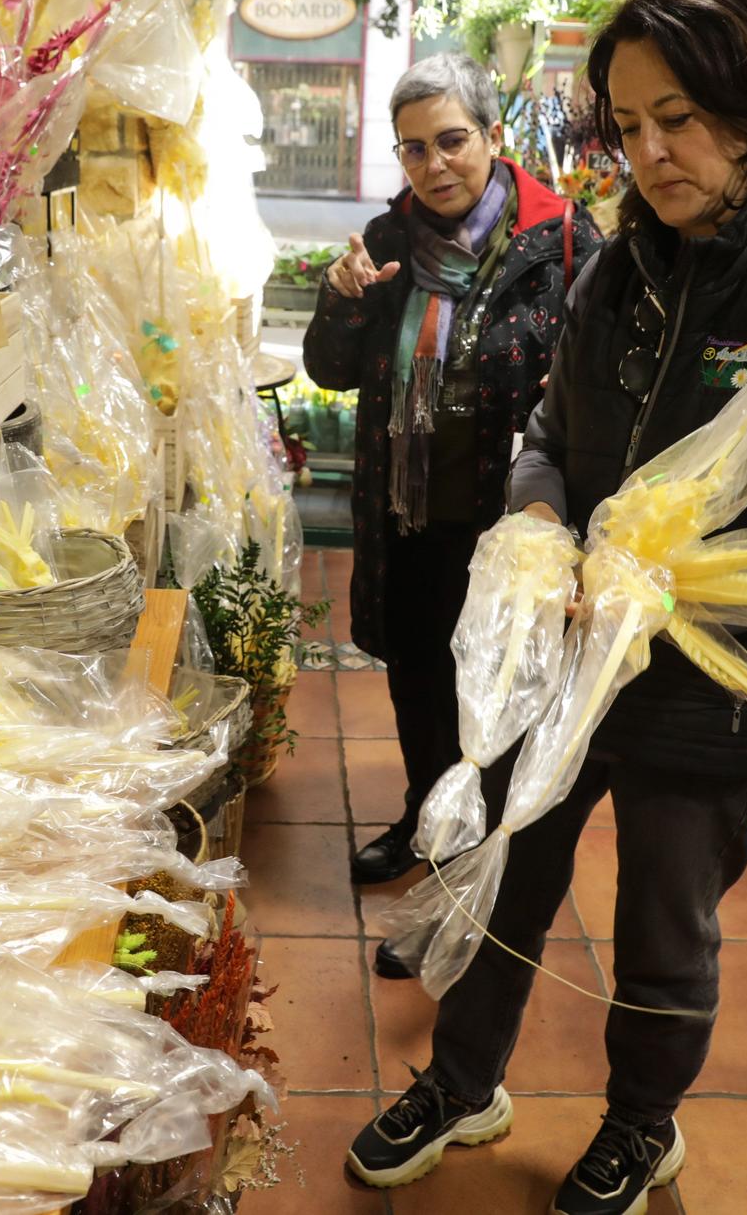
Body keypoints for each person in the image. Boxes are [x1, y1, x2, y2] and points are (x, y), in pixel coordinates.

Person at [344, 0, 747, 1215]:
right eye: (626, 123)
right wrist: (539, 516)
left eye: (677, 119)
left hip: (706, 691)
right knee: (502, 871)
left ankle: (641, 1124)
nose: (646, 151)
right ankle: (463, 1078)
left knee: (665, 928)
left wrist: (685, 588)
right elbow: (550, 429)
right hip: (565, 658)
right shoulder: (618, 271)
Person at [303, 53, 601, 919]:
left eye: (452, 141)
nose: (434, 165)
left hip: (505, 523)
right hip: (408, 514)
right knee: (420, 681)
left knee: (498, 690)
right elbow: (331, 370)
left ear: (495, 136)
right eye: (413, 149)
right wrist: (342, 298)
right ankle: (422, 819)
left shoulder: (565, 245)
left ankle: (476, 864)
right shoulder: (389, 241)